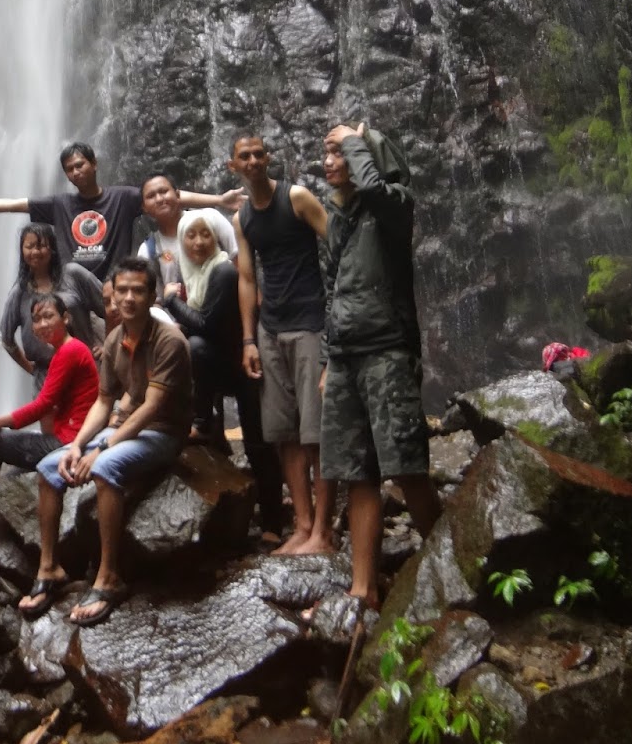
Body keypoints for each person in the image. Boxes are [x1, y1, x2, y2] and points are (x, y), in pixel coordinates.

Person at [18, 257, 192, 626]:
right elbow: (103, 401)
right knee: (49, 467)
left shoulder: (169, 340)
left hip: (163, 432)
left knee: (106, 466)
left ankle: (109, 576)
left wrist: (100, 449)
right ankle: (49, 568)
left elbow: (151, 407)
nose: (127, 299)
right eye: (121, 291)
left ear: (153, 295)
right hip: (127, 429)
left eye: (138, 291)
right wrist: (80, 444)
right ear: (110, 295)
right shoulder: (114, 339)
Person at [320, 122, 441, 610]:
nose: (328, 161)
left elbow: (374, 186)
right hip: (347, 355)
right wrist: (329, 356)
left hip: (388, 349)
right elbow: (331, 290)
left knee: (406, 467)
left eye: (339, 152)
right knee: (358, 472)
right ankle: (363, 588)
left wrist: (356, 138)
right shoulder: (335, 214)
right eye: (325, 152)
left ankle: (449, 562)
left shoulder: (394, 207)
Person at [0, 142, 240, 289]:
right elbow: (12, 204)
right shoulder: (60, 204)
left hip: (116, 286)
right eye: (70, 169)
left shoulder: (122, 198)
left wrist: (218, 200)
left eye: (80, 164)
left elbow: (170, 197)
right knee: (65, 277)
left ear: (94, 164)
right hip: (75, 292)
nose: (76, 172)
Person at [232, 132, 335, 557]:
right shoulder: (242, 219)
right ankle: (302, 523)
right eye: (245, 156)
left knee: (316, 433)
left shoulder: (296, 198)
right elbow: (246, 277)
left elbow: (340, 245)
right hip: (271, 332)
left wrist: (338, 321)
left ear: (268, 157)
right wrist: (248, 339)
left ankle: (323, 533)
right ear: (233, 166)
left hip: (310, 325)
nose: (254, 160)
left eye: (259, 153)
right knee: (286, 435)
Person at [159, 216, 284, 535]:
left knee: (257, 442)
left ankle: (273, 520)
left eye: (206, 235)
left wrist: (171, 300)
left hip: (245, 366)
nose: (198, 242)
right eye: (191, 236)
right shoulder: (196, 272)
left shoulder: (224, 271)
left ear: (217, 239)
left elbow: (205, 325)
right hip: (225, 364)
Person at [0, 291, 100, 543]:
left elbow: (43, 404)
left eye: (48, 316)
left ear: (65, 318)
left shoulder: (69, 351)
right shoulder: (68, 349)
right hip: (71, 437)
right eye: (36, 319)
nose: (42, 324)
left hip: (68, 444)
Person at [0, 225, 105, 389]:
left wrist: (109, 345)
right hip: (46, 376)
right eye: (29, 246)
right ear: (22, 251)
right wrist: (31, 369)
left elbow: (112, 306)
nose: (35, 252)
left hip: (84, 370)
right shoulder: (19, 292)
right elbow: (5, 337)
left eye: (41, 245)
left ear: (52, 248)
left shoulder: (74, 275)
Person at [140, 173, 237, 296]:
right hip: (178, 312)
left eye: (164, 191)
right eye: (151, 196)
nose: (159, 199)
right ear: (144, 207)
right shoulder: (148, 250)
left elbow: (242, 266)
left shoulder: (210, 219)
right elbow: (154, 301)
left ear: (178, 195)